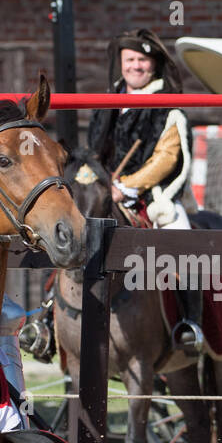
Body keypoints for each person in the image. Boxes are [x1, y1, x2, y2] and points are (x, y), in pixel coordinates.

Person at [86, 28, 203, 354]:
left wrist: (127, 185)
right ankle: (50, 313)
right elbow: (94, 149)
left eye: (142, 60)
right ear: (121, 63)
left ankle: (189, 323)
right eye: (130, 60)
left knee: (183, 244)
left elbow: (166, 158)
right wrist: (100, 183)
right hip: (105, 192)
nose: (136, 66)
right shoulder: (108, 101)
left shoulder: (168, 104)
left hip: (156, 197)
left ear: (153, 65)